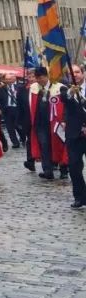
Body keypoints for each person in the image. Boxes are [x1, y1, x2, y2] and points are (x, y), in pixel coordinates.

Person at [27, 66, 69, 180]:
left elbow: (66, 106)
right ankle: (47, 171)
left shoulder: (60, 87)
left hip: (56, 123)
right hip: (40, 124)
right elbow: (30, 106)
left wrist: (65, 120)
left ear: (46, 76)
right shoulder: (34, 88)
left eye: (40, 78)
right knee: (44, 146)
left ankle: (64, 170)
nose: (39, 80)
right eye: (37, 78)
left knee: (59, 145)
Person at [65, 65, 86, 209]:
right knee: (74, 167)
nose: (75, 75)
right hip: (74, 135)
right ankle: (80, 197)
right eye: (72, 73)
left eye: (78, 72)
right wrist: (70, 93)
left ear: (83, 73)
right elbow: (64, 100)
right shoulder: (65, 91)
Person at [0, 73, 25, 149]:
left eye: (10, 79)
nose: (8, 81)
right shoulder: (1, 89)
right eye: (7, 79)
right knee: (10, 127)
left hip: (17, 109)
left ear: (14, 79)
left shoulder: (20, 87)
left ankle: (23, 138)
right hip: (7, 109)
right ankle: (15, 142)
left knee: (18, 125)